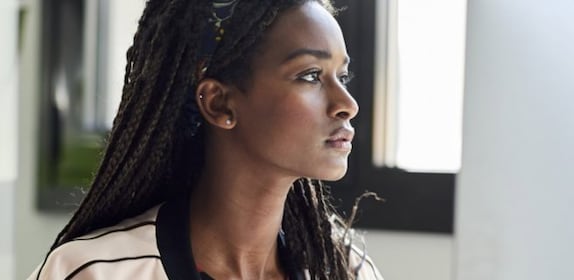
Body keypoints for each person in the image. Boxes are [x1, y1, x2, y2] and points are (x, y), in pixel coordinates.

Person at [30, 0, 383, 279]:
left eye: (343, 76)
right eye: (310, 76)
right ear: (219, 102)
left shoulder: (345, 269)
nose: (347, 105)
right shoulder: (98, 272)